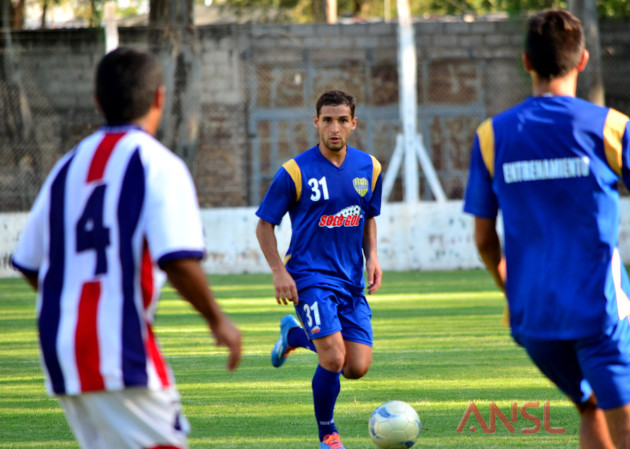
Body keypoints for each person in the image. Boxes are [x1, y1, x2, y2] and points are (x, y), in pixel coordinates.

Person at [11, 47, 242, 449]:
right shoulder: (159, 164)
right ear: (160, 98)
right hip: (120, 348)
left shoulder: (66, 167)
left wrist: (74, 302)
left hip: (62, 345)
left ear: (98, 101)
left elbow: (30, 262)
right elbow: (178, 259)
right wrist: (217, 320)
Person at [464, 9, 630, 449]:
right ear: (583, 61)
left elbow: (483, 239)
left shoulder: (491, 136)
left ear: (526, 62)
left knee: (590, 405)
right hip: (600, 312)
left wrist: (509, 288)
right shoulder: (610, 127)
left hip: (533, 318)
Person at [256, 90, 383, 449]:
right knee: (333, 356)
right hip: (309, 278)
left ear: (353, 123)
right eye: (327, 120)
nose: (335, 128)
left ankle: (294, 337)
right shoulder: (295, 172)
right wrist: (279, 271)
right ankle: (327, 434)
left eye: (342, 120)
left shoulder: (369, 168)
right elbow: (265, 225)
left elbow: (368, 217)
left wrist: (372, 256)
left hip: (350, 281)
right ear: (316, 122)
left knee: (356, 366)